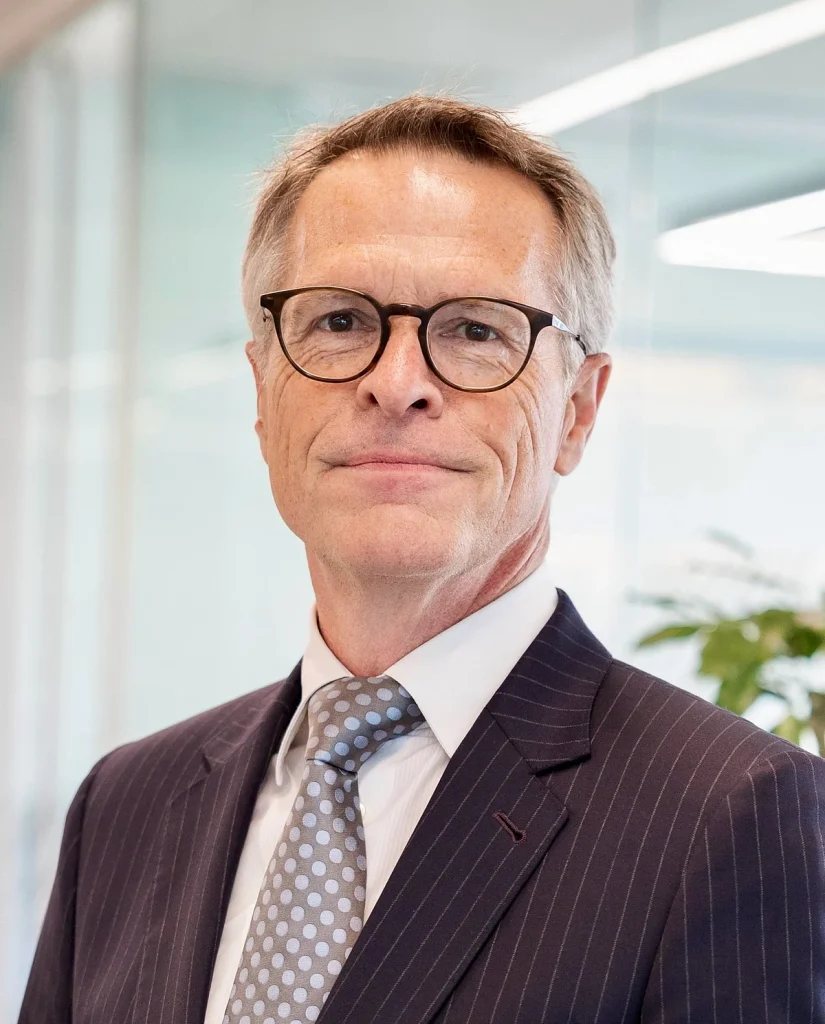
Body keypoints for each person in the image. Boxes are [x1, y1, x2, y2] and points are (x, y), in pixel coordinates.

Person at [19, 95, 824, 1024]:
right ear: (262, 391)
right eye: (338, 322)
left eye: (476, 330)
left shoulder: (725, 812)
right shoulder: (126, 804)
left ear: (577, 411)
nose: (396, 384)